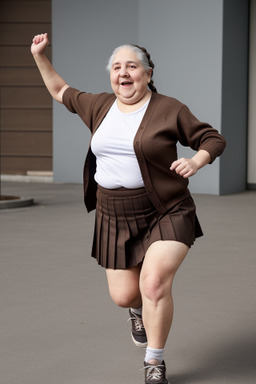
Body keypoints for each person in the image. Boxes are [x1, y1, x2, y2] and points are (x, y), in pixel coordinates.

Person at [31, 33, 226, 384]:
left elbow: (212, 138)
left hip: (166, 209)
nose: (123, 72)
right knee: (125, 296)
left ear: (148, 74)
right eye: (117, 67)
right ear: (111, 75)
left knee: (153, 284)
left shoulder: (169, 109)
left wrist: (196, 161)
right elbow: (60, 90)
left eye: (132, 66)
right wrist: (39, 56)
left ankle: (155, 362)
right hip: (114, 214)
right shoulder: (99, 106)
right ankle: (136, 312)